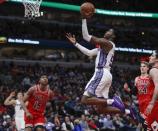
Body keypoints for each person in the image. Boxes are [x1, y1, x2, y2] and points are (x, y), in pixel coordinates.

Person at [66, 16, 135, 118]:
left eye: (110, 31)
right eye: (107, 30)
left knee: (84, 100)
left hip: (101, 73)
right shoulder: (102, 47)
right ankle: (128, 111)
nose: (107, 31)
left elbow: (86, 36)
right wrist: (76, 43)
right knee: (101, 109)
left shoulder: (108, 43)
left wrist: (83, 19)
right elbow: (89, 53)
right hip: (106, 74)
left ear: (113, 36)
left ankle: (113, 101)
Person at [145, 50, 158, 130]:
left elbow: (157, 85)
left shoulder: (154, 70)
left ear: (157, 59)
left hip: (155, 105)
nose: (149, 57)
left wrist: (152, 103)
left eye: (152, 56)